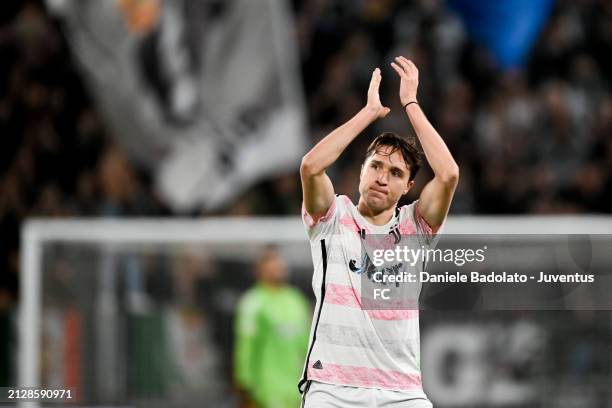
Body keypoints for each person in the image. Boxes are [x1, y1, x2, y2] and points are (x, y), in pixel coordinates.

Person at [298, 56, 459, 407]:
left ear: (408, 187)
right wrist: (369, 113)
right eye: (375, 166)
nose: (382, 177)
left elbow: (447, 175)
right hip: (332, 387)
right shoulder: (333, 217)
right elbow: (311, 167)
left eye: (396, 173)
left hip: (401, 392)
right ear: (361, 171)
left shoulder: (415, 227)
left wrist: (411, 104)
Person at [234, 246, 311, 408]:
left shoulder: (296, 300)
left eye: (279, 265)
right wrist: (244, 386)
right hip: (266, 391)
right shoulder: (253, 302)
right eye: (272, 266)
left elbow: (307, 345)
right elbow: (246, 348)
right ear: (260, 270)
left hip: (297, 391)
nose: (278, 269)